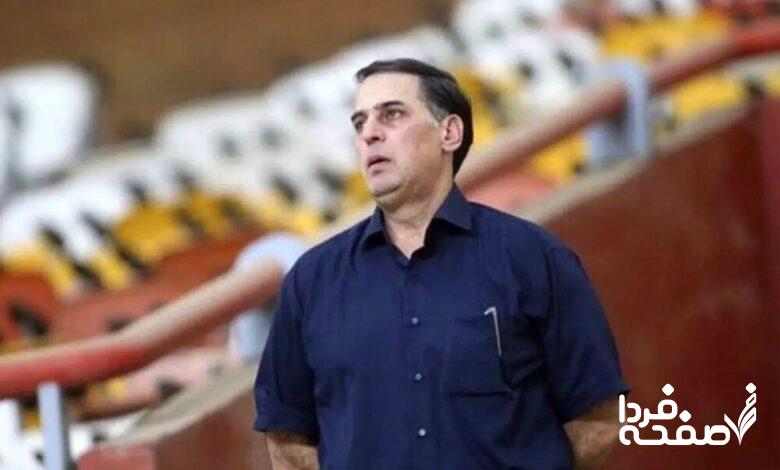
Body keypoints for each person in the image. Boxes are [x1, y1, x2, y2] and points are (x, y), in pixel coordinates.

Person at [253, 58, 629, 469]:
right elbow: (286, 437)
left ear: (449, 133)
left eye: (392, 115)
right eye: (360, 123)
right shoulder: (311, 282)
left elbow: (598, 416)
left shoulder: (533, 258)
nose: (370, 133)